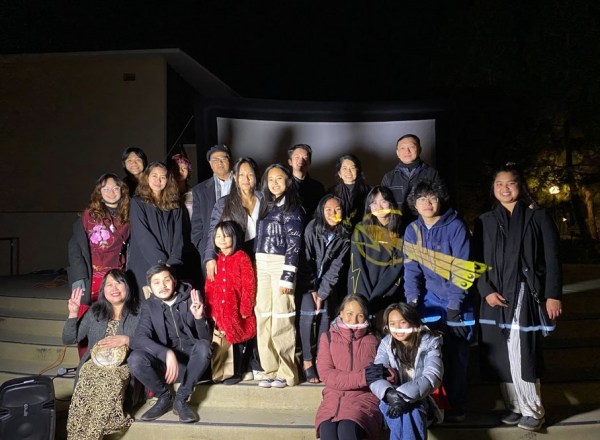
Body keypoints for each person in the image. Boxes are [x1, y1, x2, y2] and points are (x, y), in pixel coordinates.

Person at [473, 163, 563, 432]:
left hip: (525, 291)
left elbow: (552, 259)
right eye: (499, 184)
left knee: (521, 350)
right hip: (494, 295)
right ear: (493, 188)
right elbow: (475, 261)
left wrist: (553, 295)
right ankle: (514, 406)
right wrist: (486, 290)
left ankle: (533, 410)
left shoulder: (539, 217)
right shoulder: (485, 221)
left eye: (510, 183)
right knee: (502, 353)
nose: (504, 188)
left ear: (520, 186)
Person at [403, 180, 475, 422]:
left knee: (457, 355)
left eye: (431, 197)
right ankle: (435, 406)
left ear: (440, 199)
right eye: (421, 199)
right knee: (429, 356)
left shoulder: (455, 226)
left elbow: (462, 269)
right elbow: (411, 270)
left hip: (457, 302)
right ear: (414, 203)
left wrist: (455, 305)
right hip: (429, 302)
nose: (427, 202)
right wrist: (412, 302)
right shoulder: (412, 230)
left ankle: (458, 405)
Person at [127, 264, 212, 423]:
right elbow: (140, 338)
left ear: (174, 282)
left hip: (192, 365)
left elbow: (205, 340)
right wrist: (166, 353)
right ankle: (164, 397)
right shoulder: (149, 306)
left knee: (204, 346)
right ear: (150, 288)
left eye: (166, 280)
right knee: (135, 358)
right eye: (156, 282)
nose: (163, 286)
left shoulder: (190, 299)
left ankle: (180, 399)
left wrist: (200, 318)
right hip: (167, 368)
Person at [62, 269, 140, 440]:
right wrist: (73, 313)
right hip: (93, 364)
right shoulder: (95, 312)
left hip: (123, 366)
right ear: (103, 290)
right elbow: (68, 339)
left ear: (127, 286)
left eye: (119, 283)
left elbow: (148, 343)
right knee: (89, 376)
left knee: (108, 379)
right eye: (109, 284)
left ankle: (91, 436)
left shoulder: (139, 313)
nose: (114, 288)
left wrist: (127, 339)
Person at [67, 173, 130, 357]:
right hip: (94, 277)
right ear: (99, 192)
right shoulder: (88, 216)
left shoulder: (128, 216)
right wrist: (79, 278)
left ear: (122, 191)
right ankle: (87, 362)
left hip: (118, 276)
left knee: (116, 320)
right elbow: (74, 248)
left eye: (115, 188)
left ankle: (114, 360)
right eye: (106, 188)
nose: (111, 192)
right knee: (88, 321)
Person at [254, 163, 304, 388]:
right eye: (270, 179)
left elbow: (295, 244)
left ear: (288, 181)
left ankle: (286, 372)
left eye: (279, 179)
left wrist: (287, 275)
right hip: (261, 264)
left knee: (282, 317)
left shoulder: (293, 207)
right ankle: (269, 369)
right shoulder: (265, 204)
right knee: (263, 315)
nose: (274, 183)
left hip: (280, 264)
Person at [368, 302, 444, 440]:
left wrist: (401, 396)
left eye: (402, 322)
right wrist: (389, 393)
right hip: (390, 401)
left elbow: (432, 376)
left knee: (412, 409)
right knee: (399, 409)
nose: (397, 328)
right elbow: (376, 374)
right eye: (392, 323)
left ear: (413, 322)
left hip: (424, 401)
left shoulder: (430, 343)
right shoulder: (386, 344)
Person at [297, 194, 351, 384]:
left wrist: (322, 292)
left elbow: (337, 266)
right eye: (328, 209)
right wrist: (312, 289)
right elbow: (305, 261)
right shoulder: (312, 228)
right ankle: (307, 360)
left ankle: (321, 358)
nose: (332, 213)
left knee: (325, 315)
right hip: (306, 281)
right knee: (308, 313)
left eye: (337, 209)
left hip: (326, 284)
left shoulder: (344, 235)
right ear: (321, 211)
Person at [315, 294, 384, 440]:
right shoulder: (327, 337)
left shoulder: (375, 340)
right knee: (328, 431)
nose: (354, 320)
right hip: (333, 399)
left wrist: (385, 373)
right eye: (349, 314)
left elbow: (389, 371)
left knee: (347, 430)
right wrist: (363, 376)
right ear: (340, 313)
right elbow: (327, 375)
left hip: (363, 399)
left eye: (360, 315)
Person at [204, 220, 257, 385]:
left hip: (238, 310)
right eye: (218, 236)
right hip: (221, 310)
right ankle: (223, 372)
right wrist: (211, 310)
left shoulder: (242, 257)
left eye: (226, 236)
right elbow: (209, 286)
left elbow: (249, 284)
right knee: (225, 343)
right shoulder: (216, 260)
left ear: (234, 238)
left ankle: (238, 372)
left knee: (240, 341)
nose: (222, 239)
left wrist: (246, 308)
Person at [127, 162, 183, 298]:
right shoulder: (137, 202)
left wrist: (173, 260)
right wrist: (161, 263)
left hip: (170, 264)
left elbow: (179, 235)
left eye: (163, 177)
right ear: (146, 178)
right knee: (148, 307)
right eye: (154, 176)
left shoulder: (174, 204)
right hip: (145, 263)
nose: (158, 181)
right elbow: (143, 237)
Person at [348, 186, 403, 320]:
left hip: (388, 294)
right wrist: (365, 298)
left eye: (383, 201)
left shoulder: (401, 232)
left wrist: (378, 297)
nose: (379, 206)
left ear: (391, 203)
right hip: (362, 292)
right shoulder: (361, 230)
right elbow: (357, 266)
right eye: (374, 203)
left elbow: (396, 270)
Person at [203, 157, 263, 279]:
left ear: (256, 177)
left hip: (261, 257)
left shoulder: (264, 200)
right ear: (235, 178)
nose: (246, 179)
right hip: (235, 256)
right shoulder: (224, 203)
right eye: (241, 175)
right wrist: (210, 257)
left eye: (250, 175)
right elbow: (213, 231)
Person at [190, 144, 233, 278]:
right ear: (210, 164)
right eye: (215, 159)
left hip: (237, 249)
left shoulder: (243, 183)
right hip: (210, 252)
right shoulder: (200, 190)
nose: (219, 162)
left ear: (230, 160)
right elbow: (197, 226)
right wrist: (205, 250)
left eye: (223, 158)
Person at [381, 134, 441, 220]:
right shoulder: (388, 177)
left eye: (411, 147)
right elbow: (383, 204)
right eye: (402, 148)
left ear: (419, 149)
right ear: (397, 153)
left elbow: (441, 201)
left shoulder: (432, 174)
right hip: (397, 226)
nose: (407, 151)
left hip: (424, 225)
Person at [330, 154, 370, 228]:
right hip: (339, 231)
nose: (349, 171)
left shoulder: (368, 191)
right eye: (344, 168)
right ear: (339, 173)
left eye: (352, 168)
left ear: (358, 170)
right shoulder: (332, 193)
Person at [287, 143, 325, 221]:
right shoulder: (284, 185)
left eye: (305, 157)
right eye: (297, 157)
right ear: (290, 161)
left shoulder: (318, 187)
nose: (301, 161)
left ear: (310, 162)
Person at [170, 153, 193, 217]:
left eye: (184, 168)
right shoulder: (166, 193)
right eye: (177, 168)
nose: (180, 171)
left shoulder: (194, 193)